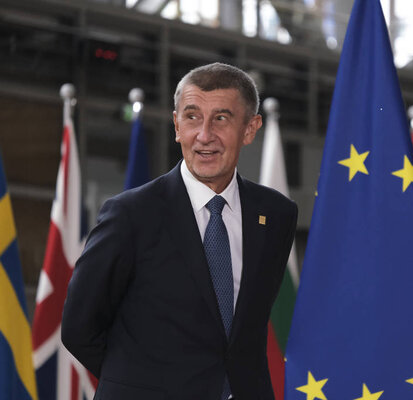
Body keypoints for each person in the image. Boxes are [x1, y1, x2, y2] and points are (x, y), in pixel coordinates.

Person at [62, 63, 298, 400]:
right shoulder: (130, 214)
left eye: (221, 118)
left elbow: (249, 328)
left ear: (250, 128)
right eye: (192, 117)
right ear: (176, 125)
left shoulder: (276, 214)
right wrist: (141, 383)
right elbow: (78, 327)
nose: (204, 135)